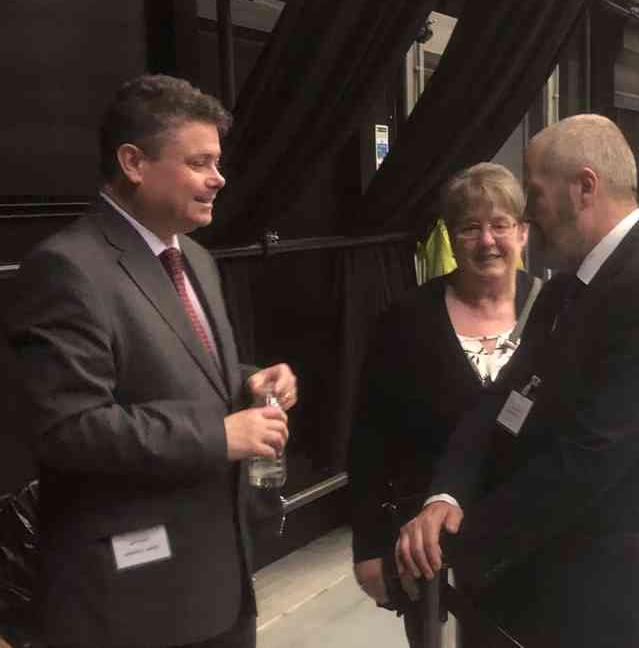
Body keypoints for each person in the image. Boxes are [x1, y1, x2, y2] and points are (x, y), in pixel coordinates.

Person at [396, 115, 639, 648]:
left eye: (536, 194)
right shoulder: (571, 286)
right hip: (552, 593)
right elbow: (502, 399)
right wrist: (446, 497)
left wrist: (454, 546)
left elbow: (591, 458)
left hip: (621, 608)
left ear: (585, 187)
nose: (527, 214)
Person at [5, 74, 298, 648]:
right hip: (133, 603)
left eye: (217, 162)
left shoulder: (194, 258)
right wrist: (219, 435)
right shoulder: (67, 269)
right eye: (200, 163)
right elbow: (71, 429)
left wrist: (250, 381)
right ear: (134, 162)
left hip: (219, 581)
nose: (219, 179)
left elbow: (189, 374)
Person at [349, 163, 539, 647]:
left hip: (534, 536)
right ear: (451, 239)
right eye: (470, 228)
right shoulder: (406, 319)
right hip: (429, 546)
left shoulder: (554, 310)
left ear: (523, 233)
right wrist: (369, 547)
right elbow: (370, 436)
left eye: (500, 225)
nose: (487, 241)